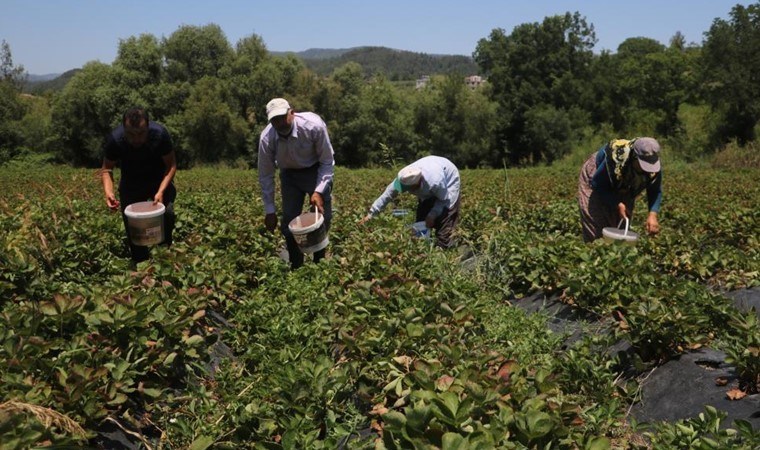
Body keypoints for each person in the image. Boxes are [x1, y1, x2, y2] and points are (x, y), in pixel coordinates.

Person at [258, 98, 335, 269]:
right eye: (274, 120)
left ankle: (319, 263)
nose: (278, 123)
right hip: (289, 176)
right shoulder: (267, 138)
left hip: (316, 170)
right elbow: (266, 175)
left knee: (322, 217)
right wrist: (269, 211)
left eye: (281, 117)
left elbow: (327, 162)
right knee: (289, 223)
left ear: (292, 113)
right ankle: (296, 265)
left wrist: (319, 191)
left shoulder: (313, 126)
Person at [101, 107, 177, 263]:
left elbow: (171, 166)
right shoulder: (115, 140)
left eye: (141, 133)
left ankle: (164, 257)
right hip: (131, 182)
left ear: (148, 127)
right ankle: (140, 265)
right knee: (133, 225)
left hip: (158, 180)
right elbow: (106, 169)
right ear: (124, 129)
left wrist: (161, 191)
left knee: (167, 214)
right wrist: (109, 192)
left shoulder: (160, 135)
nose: (136, 139)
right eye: (130, 134)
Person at [360, 155, 460, 249]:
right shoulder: (405, 176)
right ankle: (422, 248)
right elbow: (387, 195)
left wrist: (432, 215)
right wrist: (371, 214)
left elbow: (444, 200)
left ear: (416, 185)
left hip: (448, 180)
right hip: (431, 177)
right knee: (421, 219)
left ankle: (443, 249)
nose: (405, 191)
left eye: (407, 189)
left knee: (445, 218)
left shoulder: (435, 181)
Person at [577, 137, 662, 242]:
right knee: (596, 227)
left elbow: (655, 190)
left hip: (625, 183)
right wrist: (617, 203)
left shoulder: (653, 165)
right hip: (598, 177)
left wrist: (652, 215)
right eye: (643, 164)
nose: (647, 168)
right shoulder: (616, 158)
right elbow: (597, 184)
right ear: (634, 157)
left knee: (620, 225)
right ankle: (595, 252)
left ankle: (614, 254)